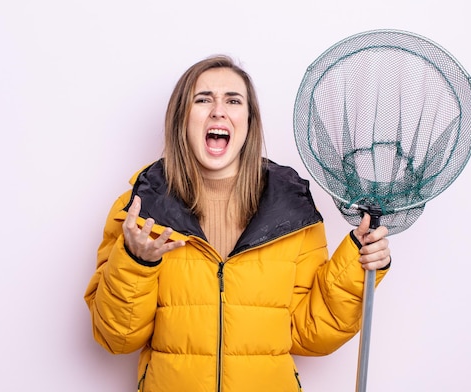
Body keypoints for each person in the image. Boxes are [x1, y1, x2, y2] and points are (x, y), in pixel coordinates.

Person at [84, 55, 391, 392]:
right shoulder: (138, 210)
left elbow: (310, 334)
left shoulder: (293, 212)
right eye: (203, 99)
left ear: (248, 120)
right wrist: (136, 261)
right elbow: (117, 338)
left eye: (233, 100)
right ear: (181, 118)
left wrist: (356, 265)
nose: (218, 110)